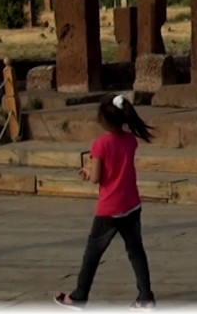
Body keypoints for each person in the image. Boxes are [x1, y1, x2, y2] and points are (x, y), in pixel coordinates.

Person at [55, 96, 155, 310]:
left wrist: (88, 170)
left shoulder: (100, 144)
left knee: (92, 253)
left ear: (104, 120)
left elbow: (97, 178)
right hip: (131, 203)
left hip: (110, 208)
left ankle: (80, 295)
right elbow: (117, 167)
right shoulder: (131, 140)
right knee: (136, 251)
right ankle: (146, 297)